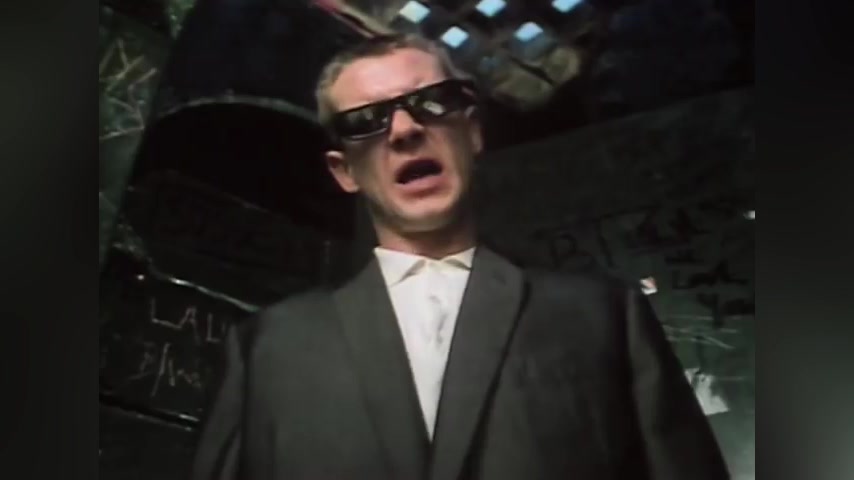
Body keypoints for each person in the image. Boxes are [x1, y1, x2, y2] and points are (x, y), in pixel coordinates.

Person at [191, 33, 729, 480]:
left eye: (432, 101)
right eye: (366, 119)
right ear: (344, 170)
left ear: (472, 132)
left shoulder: (602, 317)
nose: (405, 130)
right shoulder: (267, 348)